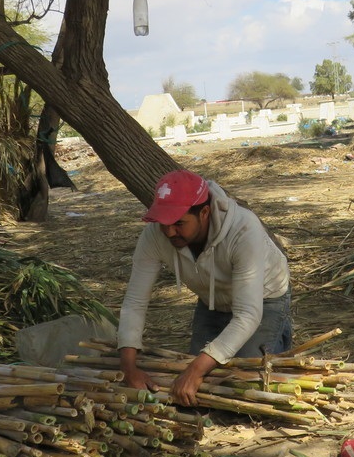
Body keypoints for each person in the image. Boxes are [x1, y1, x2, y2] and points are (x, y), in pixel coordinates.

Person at [117, 169, 292, 405]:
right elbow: (135, 302)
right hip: (212, 301)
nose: (169, 231)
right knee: (197, 395)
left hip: (264, 298)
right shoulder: (155, 235)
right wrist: (128, 368)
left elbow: (248, 314)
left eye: (178, 223)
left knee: (245, 381)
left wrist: (195, 370)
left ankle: (278, 337)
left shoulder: (243, 228)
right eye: (163, 222)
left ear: (205, 212)